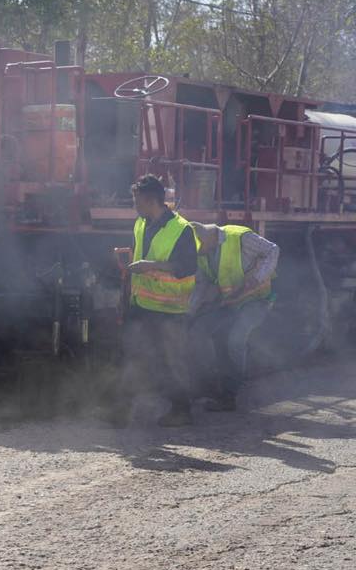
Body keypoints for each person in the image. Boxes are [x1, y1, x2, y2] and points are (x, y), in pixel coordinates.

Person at [116, 174, 198, 427]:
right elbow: (135, 261)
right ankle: (121, 410)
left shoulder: (182, 229)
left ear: (151, 200)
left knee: (171, 360)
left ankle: (182, 411)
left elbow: (187, 267)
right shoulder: (141, 223)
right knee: (133, 355)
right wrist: (125, 296)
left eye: (136, 201)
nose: (134, 206)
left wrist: (150, 266)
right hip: (141, 304)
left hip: (169, 309)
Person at [189, 223, 278, 411]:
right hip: (231, 303)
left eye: (201, 247)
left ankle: (232, 392)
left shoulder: (240, 237)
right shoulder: (204, 254)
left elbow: (273, 250)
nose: (200, 252)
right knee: (200, 331)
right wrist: (190, 312)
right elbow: (202, 284)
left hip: (257, 299)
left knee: (235, 340)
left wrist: (257, 278)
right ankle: (210, 385)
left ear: (210, 238)